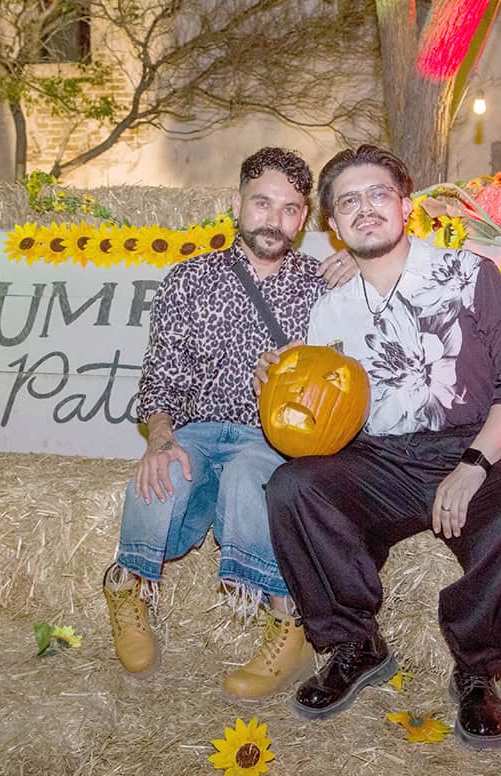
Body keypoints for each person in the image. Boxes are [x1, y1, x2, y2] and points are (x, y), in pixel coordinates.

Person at [259, 145, 501, 748]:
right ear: (334, 223)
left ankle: (477, 664)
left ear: (405, 205)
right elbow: (325, 409)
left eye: (378, 193)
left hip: (477, 445)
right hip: (382, 457)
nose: (365, 208)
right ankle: (355, 644)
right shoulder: (329, 312)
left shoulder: (470, 277)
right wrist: (278, 383)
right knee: (294, 488)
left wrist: (474, 464)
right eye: (348, 201)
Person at [103, 147, 355, 698]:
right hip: (196, 428)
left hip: (273, 437)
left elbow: (346, 371)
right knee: (162, 473)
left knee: (249, 479)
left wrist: (361, 269)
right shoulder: (188, 280)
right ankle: (127, 585)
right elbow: (160, 375)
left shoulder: (323, 288)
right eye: (262, 203)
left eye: (290, 209)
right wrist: (160, 438)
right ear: (236, 204)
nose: (274, 219)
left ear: (304, 218)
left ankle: (288, 621)